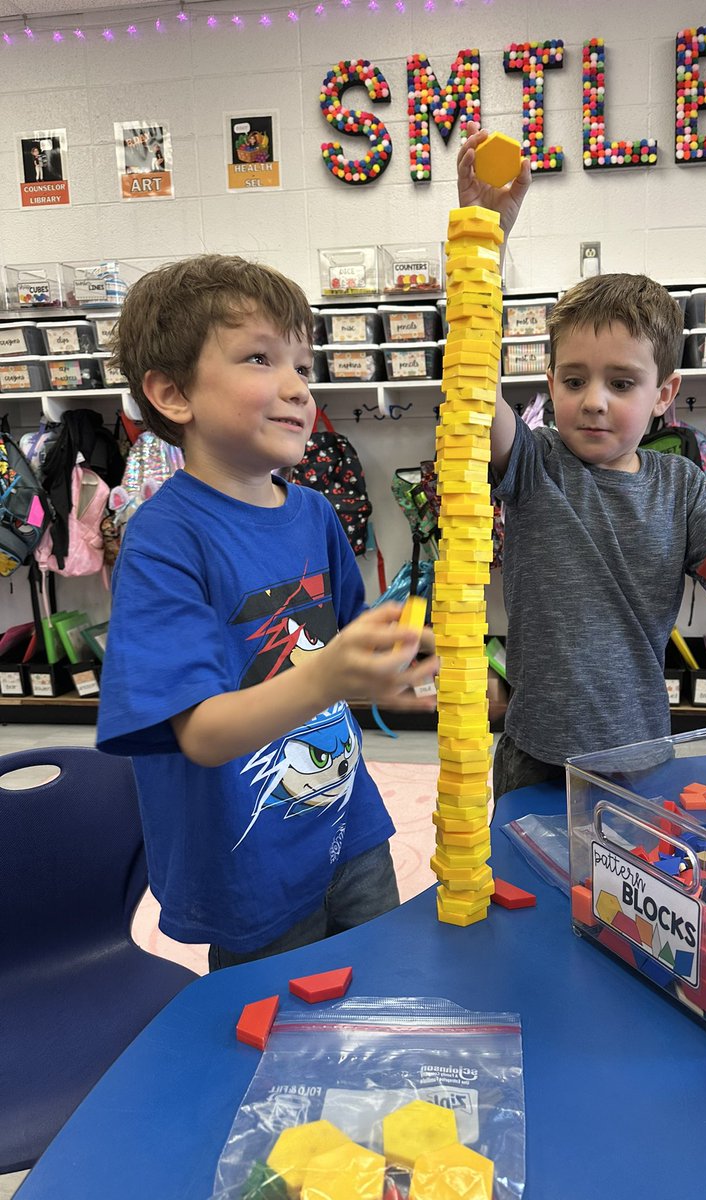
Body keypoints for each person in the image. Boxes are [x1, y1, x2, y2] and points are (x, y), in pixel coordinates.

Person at [455, 125, 706, 800]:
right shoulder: (531, 460)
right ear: (548, 384)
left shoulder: (680, 482)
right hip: (533, 749)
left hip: (638, 750)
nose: (594, 402)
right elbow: (468, 389)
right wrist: (483, 237)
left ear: (664, 394)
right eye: (573, 380)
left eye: (621, 383)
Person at [96, 254, 437, 969]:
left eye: (303, 367)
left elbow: (346, 648)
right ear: (172, 393)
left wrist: (400, 670)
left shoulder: (312, 513)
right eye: (260, 358)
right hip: (251, 861)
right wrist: (327, 677)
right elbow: (203, 733)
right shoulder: (164, 540)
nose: (296, 389)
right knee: (279, 1037)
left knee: (384, 978)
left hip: (350, 822)